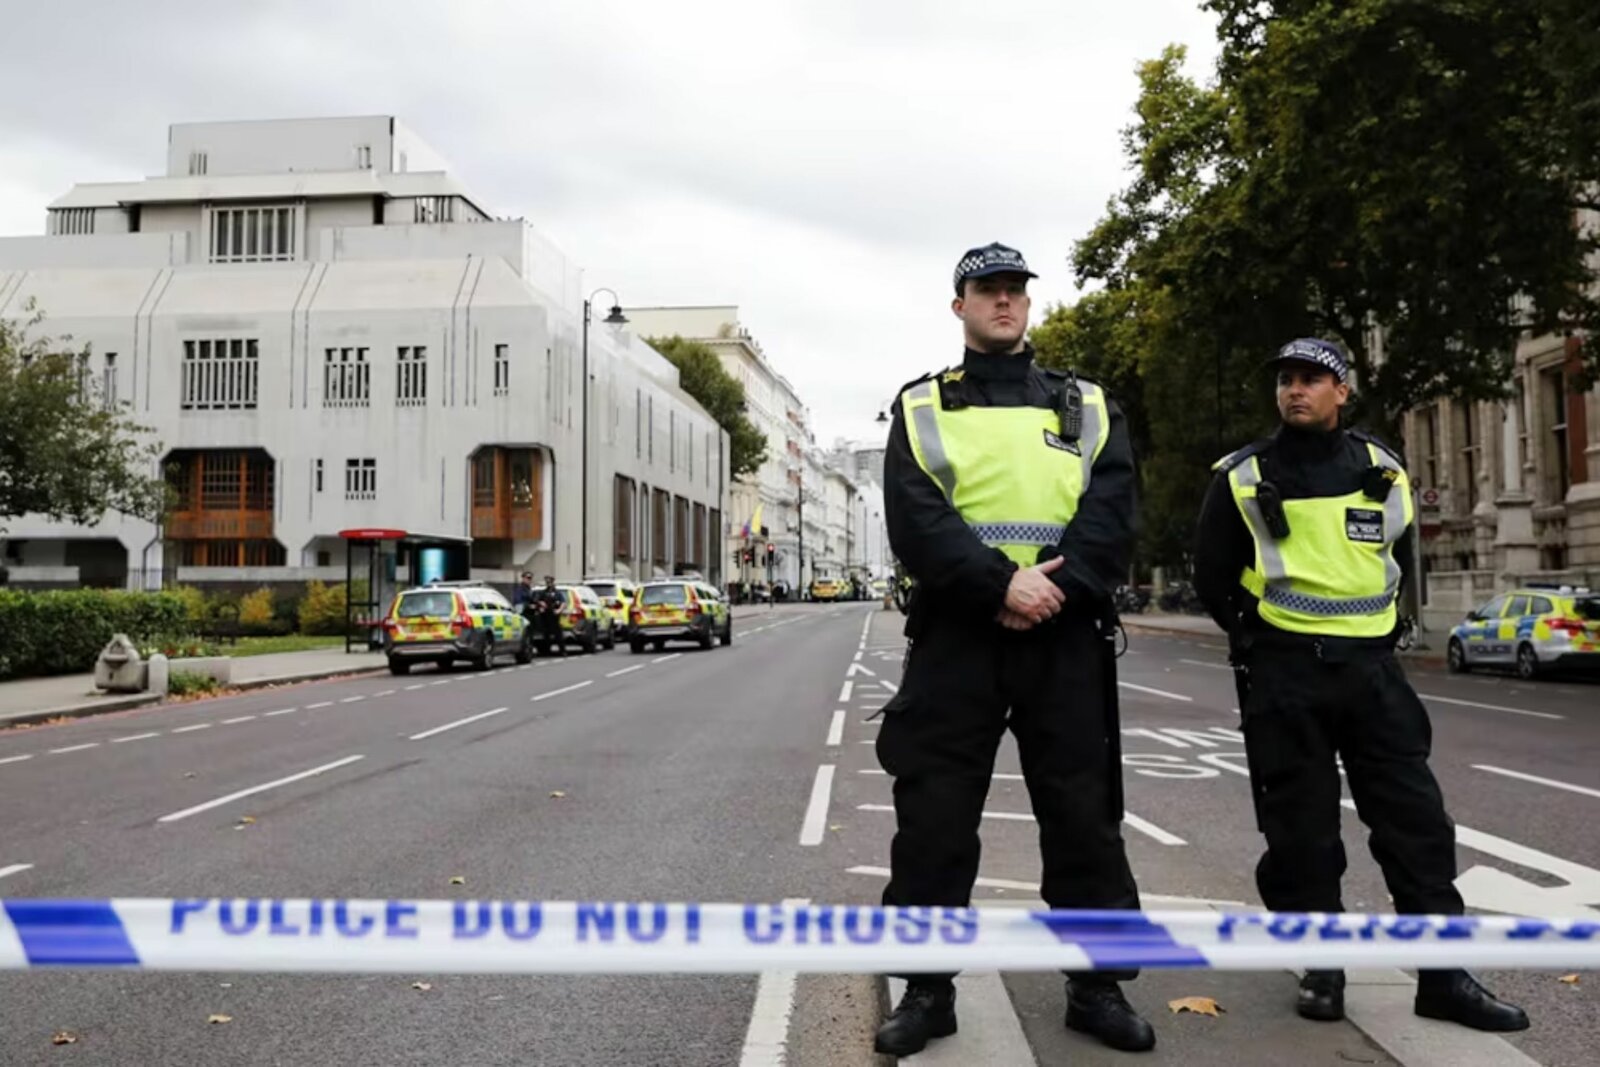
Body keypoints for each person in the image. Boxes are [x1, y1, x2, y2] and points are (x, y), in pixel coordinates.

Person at [1193, 338, 1528, 1032]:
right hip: (1285, 676)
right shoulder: (1242, 476)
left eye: (1311, 379)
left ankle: (1443, 977)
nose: (1295, 390)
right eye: (1286, 379)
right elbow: (1212, 577)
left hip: (1374, 676)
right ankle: (1322, 968)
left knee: (1419, 829)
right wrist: (1260, 638)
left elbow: (1398, 562)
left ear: (1342, 391)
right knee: (1301, 836)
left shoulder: (1384, 469)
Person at [874, 242, 1151, 1057]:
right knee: (933, 816)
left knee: (1083, 816)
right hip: (959, 634)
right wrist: (1003, 584)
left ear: (1029, 305)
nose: (1003, 302)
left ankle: (1096, 987)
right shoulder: (922, 405)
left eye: (1014, 291)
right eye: (987, 290)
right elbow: (915, 517)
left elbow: (1113, 507)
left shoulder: (1089, 404)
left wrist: (1052, 589)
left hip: (1064, 635)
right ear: (958, 306)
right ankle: (928, 992)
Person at [530, 575, 566, 658]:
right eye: (547, 582)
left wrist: (559, 610)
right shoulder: (543, 592)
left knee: (558, 634)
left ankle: (562, 651)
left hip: (554, 615)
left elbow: (563, 603)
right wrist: (541, 604)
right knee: (546, 634)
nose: (548, 583)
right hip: (545, 615)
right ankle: (546, 651)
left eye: (550, 582)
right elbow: (537, 600)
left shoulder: (557, 593)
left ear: (553, 582)